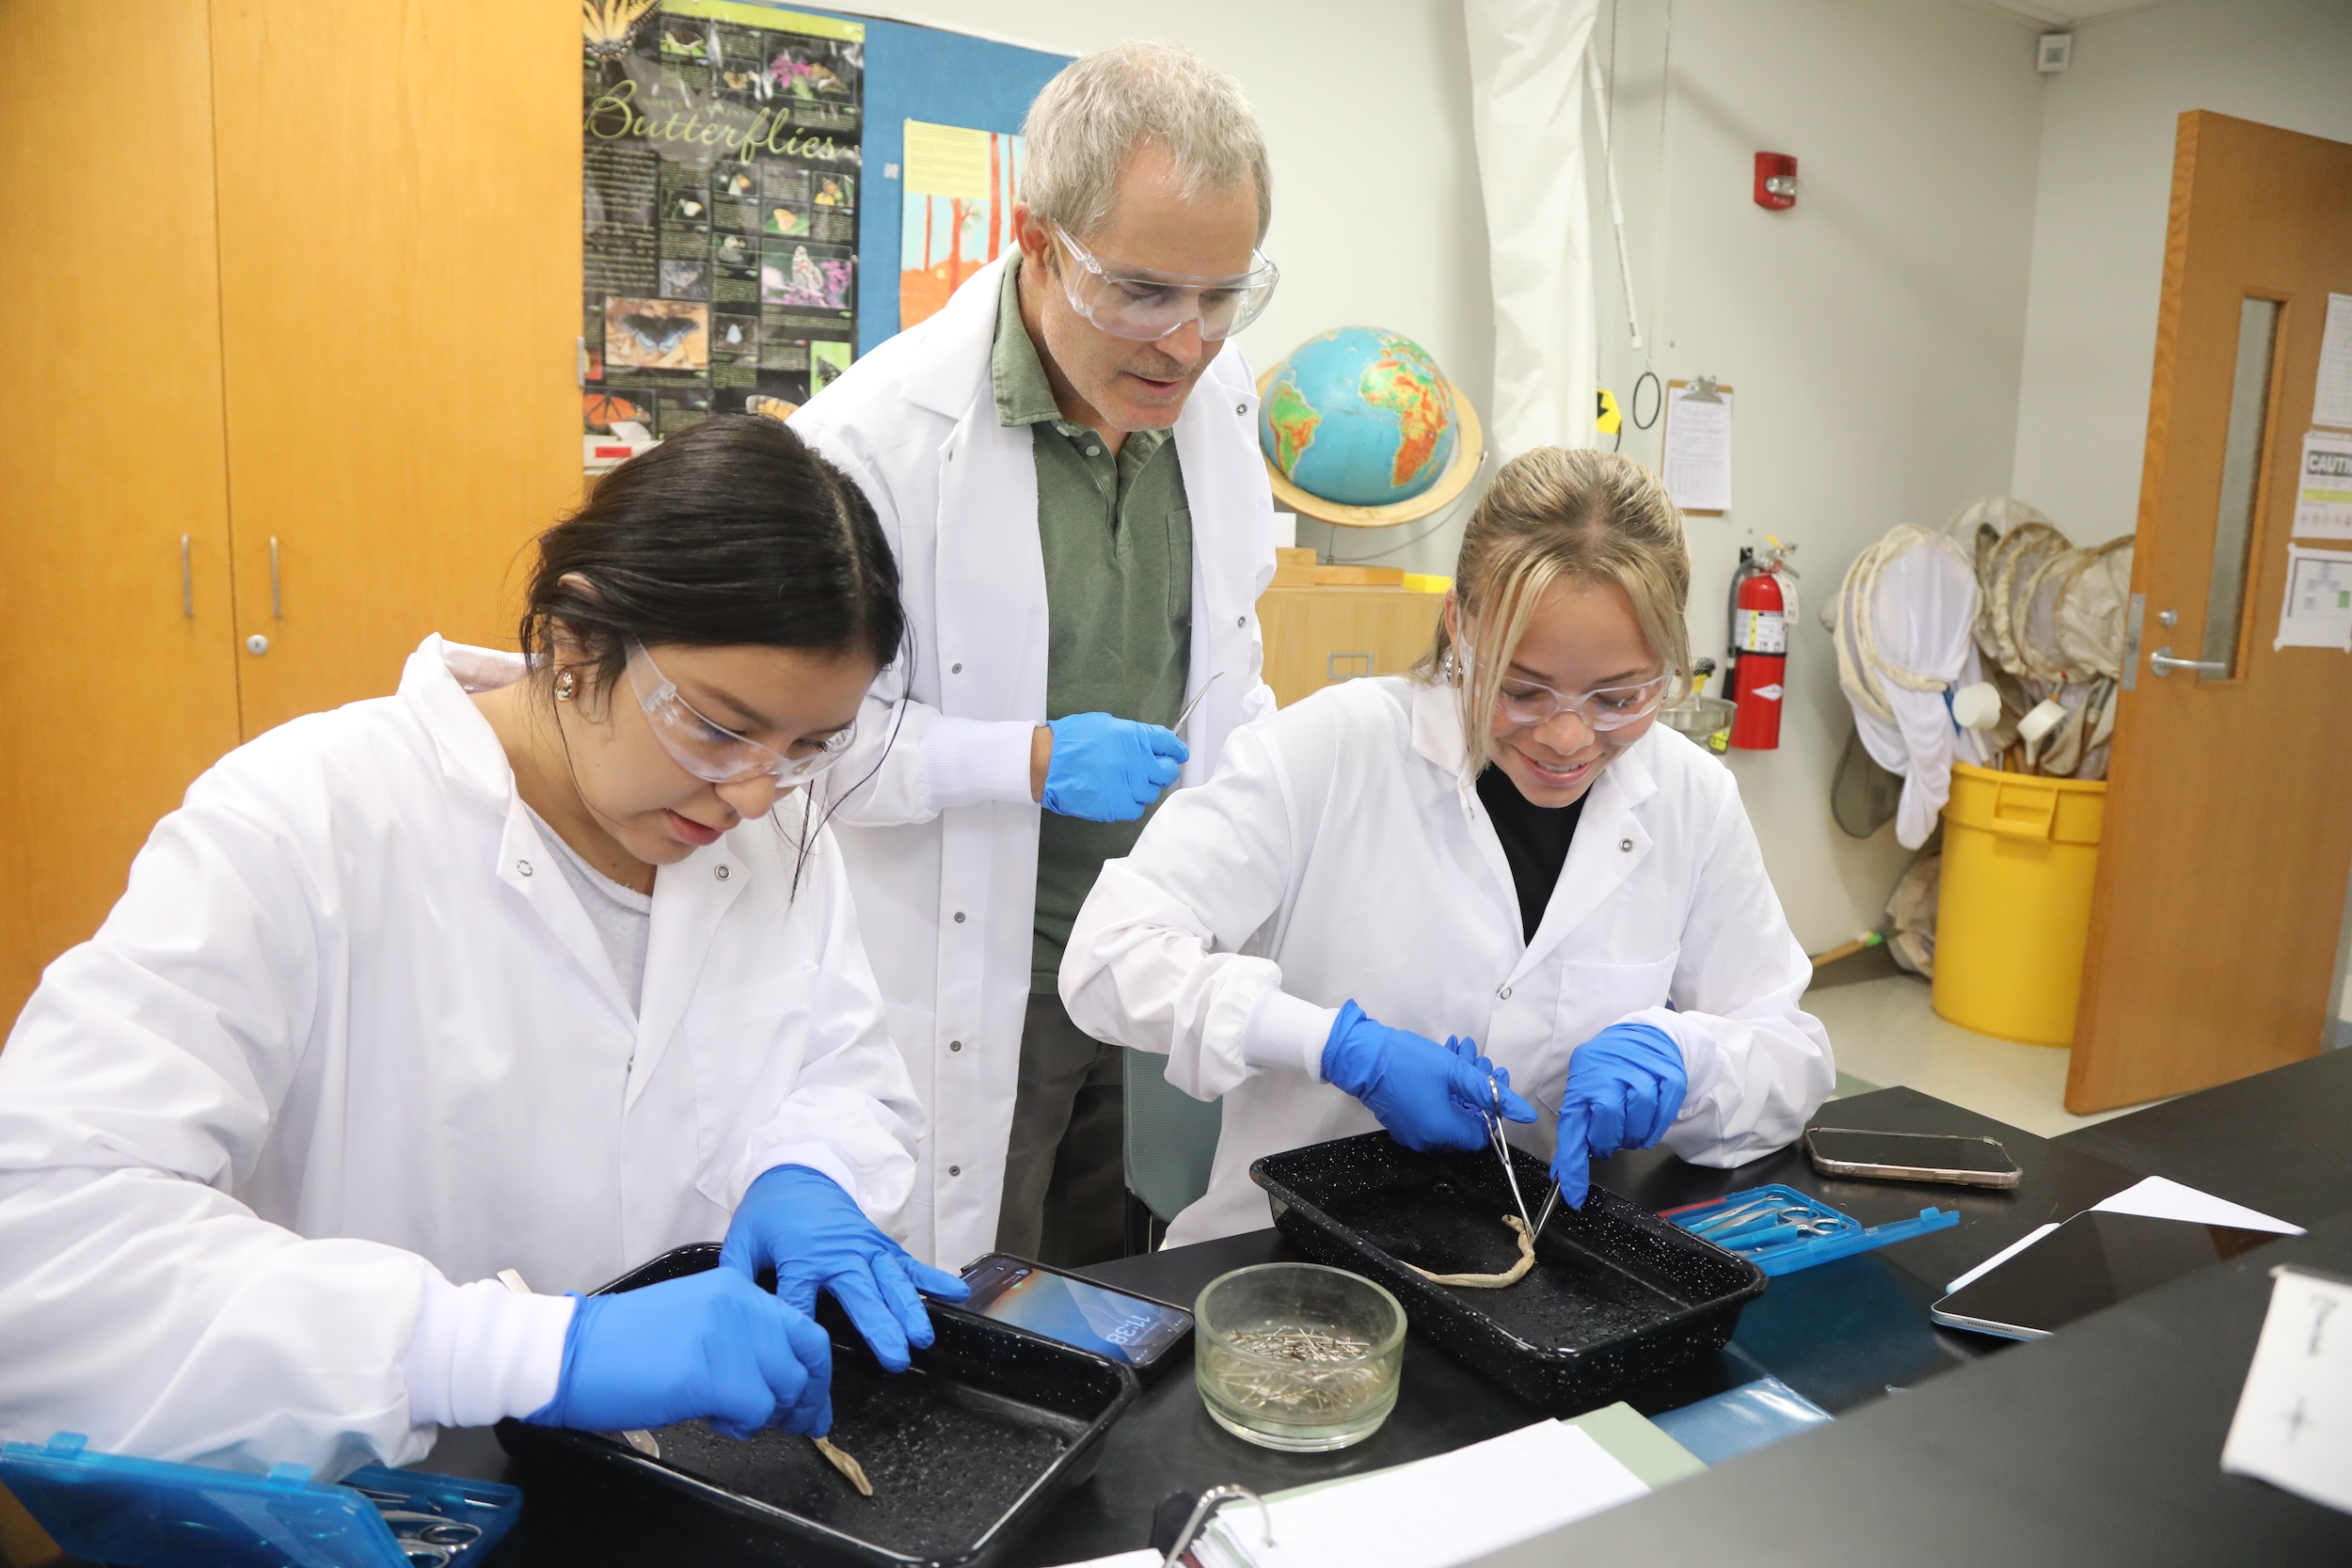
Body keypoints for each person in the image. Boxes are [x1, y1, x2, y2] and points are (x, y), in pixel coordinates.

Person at [0, 417, 967, 1473]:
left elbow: (838, 1065)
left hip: (686, 1484)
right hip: (401, 1495)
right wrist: (502, 1349)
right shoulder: (304, 818)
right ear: (573, 636)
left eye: (807, 748)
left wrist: (811, 1165)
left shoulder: (773, 828)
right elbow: (45, 1238)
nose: (751, 791)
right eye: (717, 725)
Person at [1061, 447, 1835, 1244]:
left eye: (1620, 696)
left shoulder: (1690, 797)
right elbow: (1108, 955)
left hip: (1538, 1271)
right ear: (1457, 628)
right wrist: (1336, 1046)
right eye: (1520, 687)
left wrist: (1690, 1059)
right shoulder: (1329, 750)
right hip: (1288, 1259)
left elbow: (1793, 1056)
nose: (1568, 736)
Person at [792, 41, 1281, 1270]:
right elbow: (809, 744)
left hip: (1146, 956)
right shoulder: (873, 440)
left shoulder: (1214, 413)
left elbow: (1233, 658)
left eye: (1224, 295)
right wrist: (1027, 756)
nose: (1189, 342)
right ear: (1039, 239)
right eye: (1145, 291)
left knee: (1108, 1283)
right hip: (972, 978)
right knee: (975, 1299)